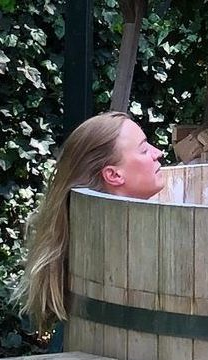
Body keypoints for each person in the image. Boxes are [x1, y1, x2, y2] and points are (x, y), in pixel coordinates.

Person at [14, 111, 166, 333]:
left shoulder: (89, 235)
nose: (158, 152)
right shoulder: (116, 251)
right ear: (113, 175)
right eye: (144, 150)